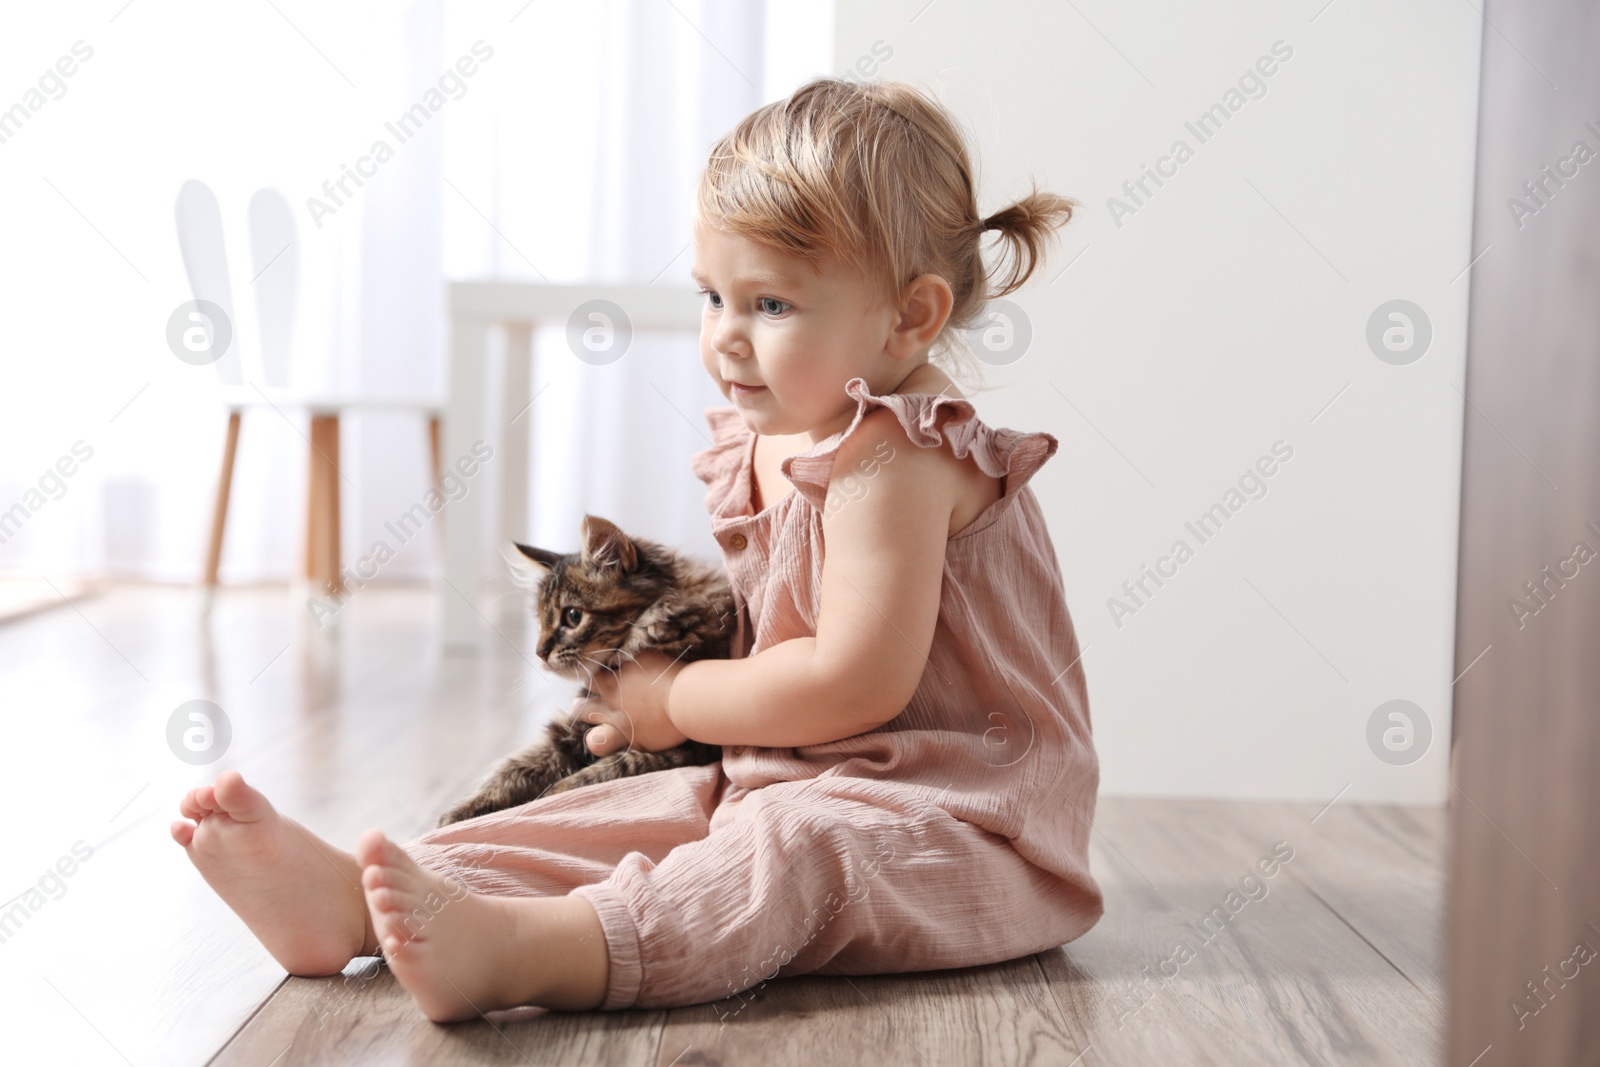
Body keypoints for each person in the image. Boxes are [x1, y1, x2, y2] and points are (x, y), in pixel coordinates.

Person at [171, 75, 1103, 1023]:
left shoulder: (896, 458)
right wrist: (666, 719)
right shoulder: (780, 432)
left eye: (771, 306)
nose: (726, 339)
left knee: (793, 850)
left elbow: (854, 683)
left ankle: (540, 951)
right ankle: (371, 898)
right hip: (790, 772)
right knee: (633, 808)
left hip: (960, 822)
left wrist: (672, 697)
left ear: (912, 317)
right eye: (712, 296)